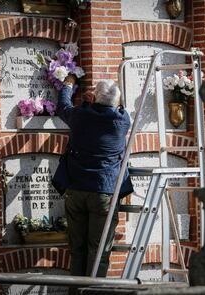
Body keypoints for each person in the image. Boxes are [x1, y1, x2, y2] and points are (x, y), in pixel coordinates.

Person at [52, 75, 134, 278]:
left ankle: (76, 291)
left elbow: (63, 106)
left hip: (76, 190)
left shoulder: (80, 116)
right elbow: (118, 105)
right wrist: (96, 100)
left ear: (94, 97)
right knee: (99, 252)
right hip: (103, 193)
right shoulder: (122, 120)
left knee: (77, 250)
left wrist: (69, 84)